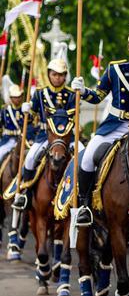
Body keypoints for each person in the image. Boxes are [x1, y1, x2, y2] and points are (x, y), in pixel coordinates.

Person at [71, 21, 129, 226]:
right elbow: (98, 96)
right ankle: (84, 206)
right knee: (87, 158)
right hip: (116, 125)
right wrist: (83, 90)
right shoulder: (115, 69)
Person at [13, 58, 75, 210]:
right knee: (29, 159)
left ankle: (83, 197)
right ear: (49, 75)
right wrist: (26, 110)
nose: (58, 78)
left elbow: (75, 114)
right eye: (54, 74)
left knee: (83, 156)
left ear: (65, 76)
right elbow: (31, 116)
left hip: (67, 137)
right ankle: (25, 195)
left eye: (61, 75)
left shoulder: (72, 94)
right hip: (44, 136)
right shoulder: (40, 94)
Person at [0, 85, 26, 165]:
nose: (17, 99)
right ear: (10, 98)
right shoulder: (5, 110)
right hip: (8, 140)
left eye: (19, 97)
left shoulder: (25, 110)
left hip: (23, 140)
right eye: (15, 97)